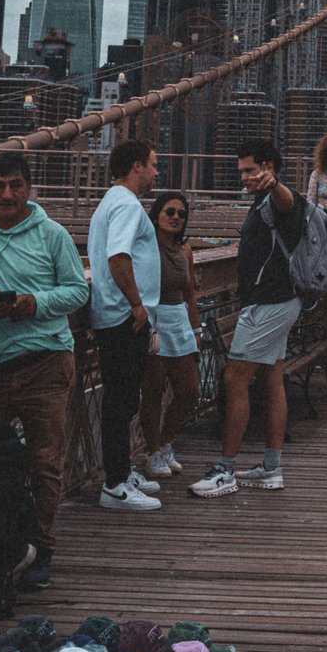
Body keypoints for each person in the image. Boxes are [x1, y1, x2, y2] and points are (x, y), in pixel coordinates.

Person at [0, 153, 89, 589]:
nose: (7, 195)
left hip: (46, 361)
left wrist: (34, 304)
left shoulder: (53, 234)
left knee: (44, 463)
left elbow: (78, 290)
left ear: (30, 188)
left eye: (16, 185)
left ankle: (41, 551)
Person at [190, 139, 301, 497]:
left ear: (268, 167)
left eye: (250, 170)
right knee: (271, 380)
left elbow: (289, 203)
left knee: (235, 379)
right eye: (241, 172)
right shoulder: (260, 200)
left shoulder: (279, 197)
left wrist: (275, 184)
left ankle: (225, 470)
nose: (244, 178)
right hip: (275, 300)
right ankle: (271, 468)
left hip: (269, 302)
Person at [85, 139, 164, 512]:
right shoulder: (128, 204)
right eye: (152, 163)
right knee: (120, 402)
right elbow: (118, 257)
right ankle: (115, 486)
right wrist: (137, 305)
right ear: (136, 166)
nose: (156, 171)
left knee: (121, 399)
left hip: (113, 315)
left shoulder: (110, 201)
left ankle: (121, 471)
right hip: (122, 318)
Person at [139, 188, 199, 480]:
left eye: (182, 214)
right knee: (153, 389)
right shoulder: (145, 245)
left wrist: (196, 328)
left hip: (179, 319)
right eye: (170, 212)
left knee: (189, 390)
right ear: (157, 214)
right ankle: (152, 451)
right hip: (154, 318)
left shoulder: (185, 250)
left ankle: (165, 442)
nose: (176, 218)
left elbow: (190, 293)